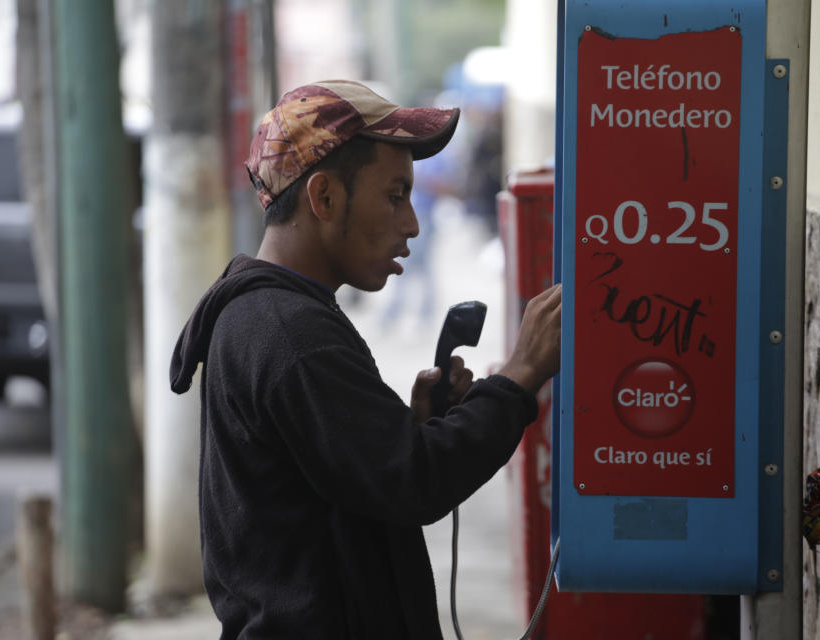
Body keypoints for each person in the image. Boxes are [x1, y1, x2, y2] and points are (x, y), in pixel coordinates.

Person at [169, 79, 561, 639]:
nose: (412, 224)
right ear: (324, 198)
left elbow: (362, 479)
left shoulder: (275, 316)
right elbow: (413, 481)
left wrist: (411, 430)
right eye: (395, 195)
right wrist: (520, 377)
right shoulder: (291, 333)